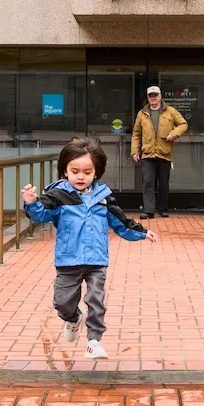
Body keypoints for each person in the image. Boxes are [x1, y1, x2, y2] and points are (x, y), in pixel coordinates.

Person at [21, 138, 158, 359]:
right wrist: (31, 203)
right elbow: (41, 215)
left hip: (96, 260)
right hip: (68, 260)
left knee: (96, 299)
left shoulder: (103, 198)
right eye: (75, 171)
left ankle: (94, 341)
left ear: (96, 173)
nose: (80, 177)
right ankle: (74, 318)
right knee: (62, 303)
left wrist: (142, 232)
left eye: (87, 172)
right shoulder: (58, 196)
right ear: (65, 170)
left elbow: (120, 222)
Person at [131, 86, 188, 219]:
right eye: (151, 96)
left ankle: (163, 209)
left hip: (164, 153)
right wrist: (135, 151)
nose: (153, 98)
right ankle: (149, 210)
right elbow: (136, 134)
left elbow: (183, 124)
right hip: (147, 153)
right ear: (148, 98)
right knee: (148, 182)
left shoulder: (171, 111)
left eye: (155, 95)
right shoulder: (142, 113)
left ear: (160, 96)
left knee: (163, 183)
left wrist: (173, 134)